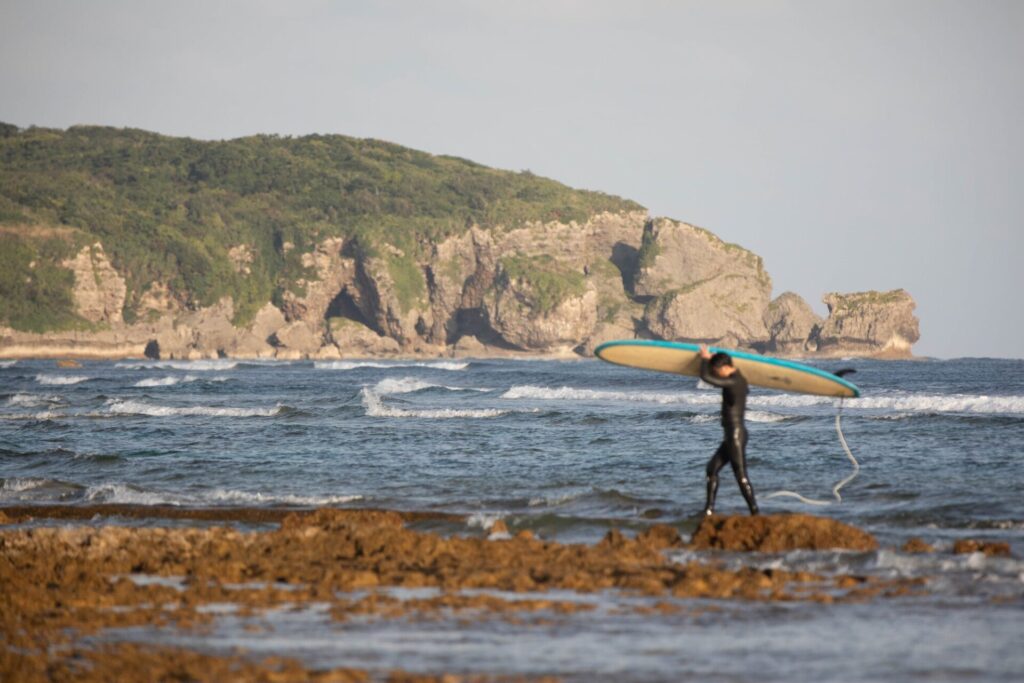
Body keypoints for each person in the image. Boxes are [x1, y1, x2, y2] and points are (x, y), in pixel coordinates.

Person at [698, 344, 759, 516]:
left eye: (718, 371)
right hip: (731, 435)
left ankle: (754, 511)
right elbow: (712, 376)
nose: (716, 374)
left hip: (736, 434)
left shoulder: (734, 381)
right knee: (711, 469)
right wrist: (711, 360)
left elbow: (706, 377)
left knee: (740, 474)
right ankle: (709, 510)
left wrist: (704, 358)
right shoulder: (738, 379)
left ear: (725, 367)